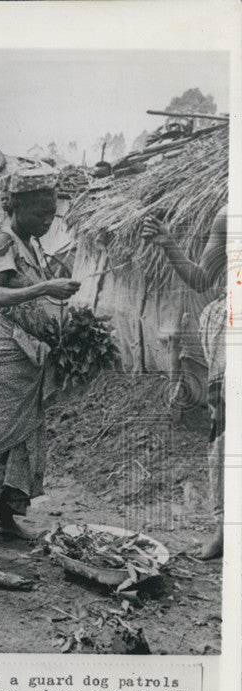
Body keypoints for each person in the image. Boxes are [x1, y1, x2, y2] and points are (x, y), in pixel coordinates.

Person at [0, 169, 80, 549]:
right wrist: (46, 287)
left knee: (24, 440)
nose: (47, 221)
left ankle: (7, 519)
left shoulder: (32, 244)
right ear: (17, 206)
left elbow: (24, 291)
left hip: (26, 355)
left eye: (51, 215)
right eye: (41, 214)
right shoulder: (1, 241)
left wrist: (53, 288)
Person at [142, 207, 227, 559]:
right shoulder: (228, 214)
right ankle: (225, 530)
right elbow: (202, 278)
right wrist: (169, 244)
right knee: (228, 434)